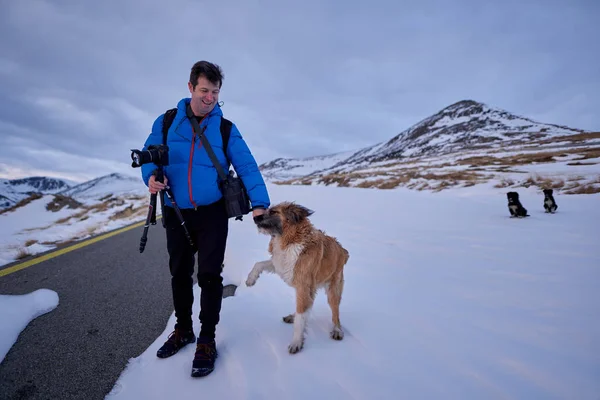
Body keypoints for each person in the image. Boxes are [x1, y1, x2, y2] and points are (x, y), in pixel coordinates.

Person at [139, 61, 270, 377]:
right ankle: (183, 330)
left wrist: (260, 203)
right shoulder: (167, 121)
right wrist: (150, 178)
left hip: (212, 212)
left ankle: (207, 339)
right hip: (175, 209)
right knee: (179, 273)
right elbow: (148, 155)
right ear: (190, 88)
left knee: (210, 275)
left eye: (215, 92)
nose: (210, 97)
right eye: (204, 90)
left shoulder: (225, 128)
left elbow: (247, 166)